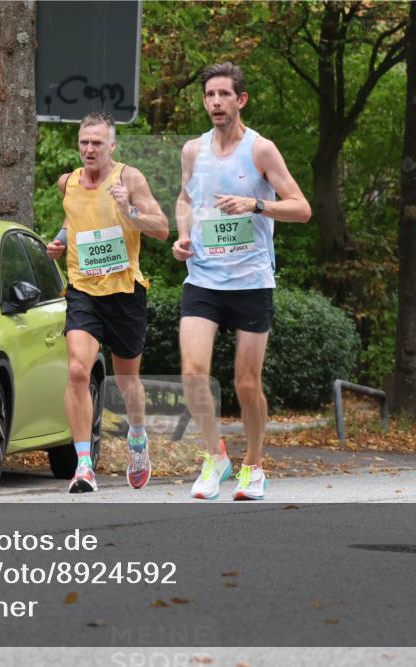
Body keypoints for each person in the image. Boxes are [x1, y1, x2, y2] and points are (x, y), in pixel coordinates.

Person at [173, 62, 311, 501]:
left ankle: (254, 464)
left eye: (224, 95)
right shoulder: (193, 151)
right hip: (204, 279)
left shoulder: (261, 151)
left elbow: (301, 208)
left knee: (246, 384)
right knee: (194, 373)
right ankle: (214, 458)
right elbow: (184, 198)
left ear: (241, 100)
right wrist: (182, 236)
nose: (215, 102)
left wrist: (255, 204)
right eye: (209, 95)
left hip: (251, 280)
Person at [47, 112, 169, 493]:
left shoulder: (128, 179)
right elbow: (73, 221)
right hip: (83, 289)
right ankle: (83, 465)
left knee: (127, 380)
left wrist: (128, 209)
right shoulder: (67, 183)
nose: (89, 149)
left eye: (97, 143)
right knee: (78, 372)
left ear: (112, 146)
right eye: (84, 142)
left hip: (125, 291)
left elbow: (162, 229)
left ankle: (136, 437)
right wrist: (59, 242)